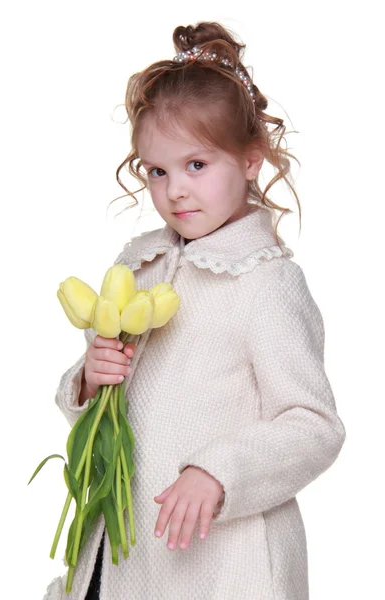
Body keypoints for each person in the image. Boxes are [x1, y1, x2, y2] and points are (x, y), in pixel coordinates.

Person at [43, 20, 346, 600]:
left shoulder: (266, 283)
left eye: (196, 166)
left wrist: (219, 469)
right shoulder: (139, 263)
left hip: (224, 565)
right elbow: (109, 409)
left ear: (251, 161)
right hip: (125, 552)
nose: (175, 190)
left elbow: (313, 425)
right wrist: (87, 380)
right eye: (157, 171)